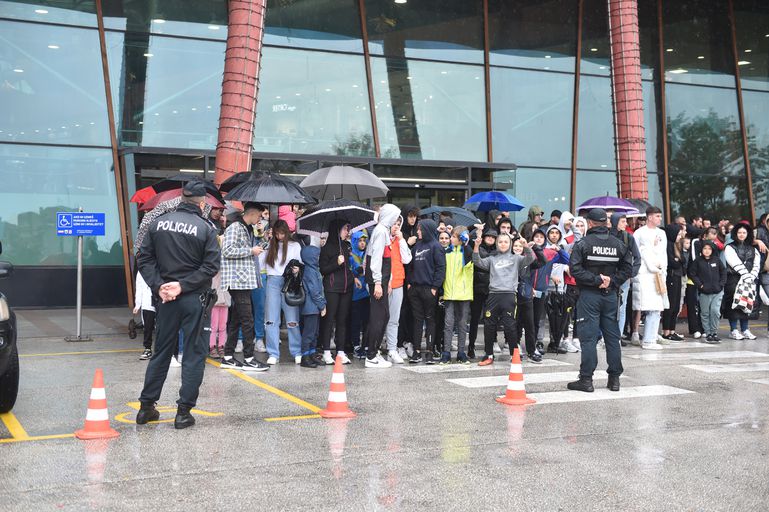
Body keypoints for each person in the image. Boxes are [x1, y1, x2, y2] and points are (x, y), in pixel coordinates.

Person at [136, 181, 221, 429]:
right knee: (194, 355)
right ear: (203, 203)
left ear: (182, 198)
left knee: (161, 352)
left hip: (166, 299)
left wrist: (159, 285)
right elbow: (210, 267)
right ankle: (183, 413)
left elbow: (143, 257)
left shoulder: (158, 223)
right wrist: (183, 285)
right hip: (194, 298)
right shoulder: (206, 228)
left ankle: (146, 407)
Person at [567, 208, 632, 393]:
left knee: (588, 338)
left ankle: (586, 380)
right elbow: (628, 268)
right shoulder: (618, 244)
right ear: (606, 223)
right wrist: (612, 281)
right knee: (612, 338)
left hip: (589, 295)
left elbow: (575, 270)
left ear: (590, 223)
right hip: (610, 295)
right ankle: (614, 380)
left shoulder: (583, 244)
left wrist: (597, 280)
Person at [472, 232, 536, 366]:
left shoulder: (516, 258)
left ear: (510, 244)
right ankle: (489, 355)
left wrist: (525, 246)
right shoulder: (492, 259)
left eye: (506, 242)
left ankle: (514, 354)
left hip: (509, 296)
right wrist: (476, 246)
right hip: (493, 295)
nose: (503, 244)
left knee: (510, 326)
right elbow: (477, 262)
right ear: (497, 244)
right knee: (489, 326)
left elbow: (530, 258)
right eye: (500, 242)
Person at [219, 202, 269, 371]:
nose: (260, 219)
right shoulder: (235, 227)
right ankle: (248, 358)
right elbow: (227, 250)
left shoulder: (247, 228)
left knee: (237, 319)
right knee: (247, 319)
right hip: (237, 280)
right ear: (252, 213)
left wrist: (261, 241)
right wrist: (250, 251)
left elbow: (252, 249)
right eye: (259, 215)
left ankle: (227, 356)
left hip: (244, 280)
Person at [259, 219, 303, 365]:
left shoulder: (294, 245)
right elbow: (259, 263)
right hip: (272, 281)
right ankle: (273, 353)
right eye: (277, 233)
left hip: (289, 281)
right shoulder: (270, 246)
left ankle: (296, 351)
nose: (279, 236)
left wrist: (297, 270)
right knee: (271, 319)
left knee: (292, 319)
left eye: (282, 233)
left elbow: (299, 264)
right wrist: (264, 242)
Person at [365, 203, 402, 368]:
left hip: (382, 280)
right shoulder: (380, 231)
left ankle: (375, 352)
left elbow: (386, 260)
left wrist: (388, 279)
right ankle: (371, 355)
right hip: (377, 280)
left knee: (384, 316)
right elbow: (376, 259)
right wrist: (378, 282)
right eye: (394, 216)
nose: (396, 220)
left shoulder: (383, 231)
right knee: (378, 318)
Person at [407, 218, 447, 364]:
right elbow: (409, 266)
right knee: (417, 320)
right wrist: (410, 283)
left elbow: (441, 268)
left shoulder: (436, 246)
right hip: (415, 289)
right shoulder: (416, 246)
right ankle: (417, 351)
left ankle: (429, 351)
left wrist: (435, 287)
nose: (418, 231)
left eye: (420, 229)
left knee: (430, 320)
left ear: (427, 229)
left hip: (429, 289)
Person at [632, 206, 668, 350]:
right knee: (647, 306)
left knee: (657, 307)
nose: (660, 218)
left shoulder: (662, 233)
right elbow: (637, 252)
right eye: (657, 216)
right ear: (650, 217)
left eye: (660, 216)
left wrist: (663, 268)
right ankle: (647, 339)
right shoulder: (639, 233)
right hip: (645, 274)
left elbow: (663, 253)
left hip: (659, 273)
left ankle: (652, 337)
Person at [319, 220, 355, 365]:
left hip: (346, 288)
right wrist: (336, 263)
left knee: (342, 320)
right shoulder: (326, 248)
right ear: (336, 230)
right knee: (329, 320)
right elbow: (323, 269)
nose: (347, 231)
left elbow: (348, 269)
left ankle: (340, 352)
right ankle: (326, 352)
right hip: (332, 288)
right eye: (345, 229)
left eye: (348, 229)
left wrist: (353, 278)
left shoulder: (346, 246)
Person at [441, 225, 474, 364]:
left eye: (454, 236)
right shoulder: (446, 252)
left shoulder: (466, 252)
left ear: (461, 239)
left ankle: (461, 352)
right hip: (449, 293)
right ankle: (446, 352)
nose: (451, 239)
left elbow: (468, 260)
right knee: (448, 324)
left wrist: (466, 243)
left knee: (462, 325)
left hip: (464, 294)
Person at [723, 222, 760, 340]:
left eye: (744, 232)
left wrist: (752, 276)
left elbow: (756, 264)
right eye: (739, 232)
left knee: (747, 304)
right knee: (734, 305)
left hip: (749, 281)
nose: (742, 234)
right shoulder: (729, 247)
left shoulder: (753, 249)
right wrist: (746, 275)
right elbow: (733, 262)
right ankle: (733, 330)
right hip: (733, 279)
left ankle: (745, 329)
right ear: (735, 233)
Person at [514, 235, 547, 363]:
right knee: (515, 323)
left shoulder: (527, 260)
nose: (517, 248)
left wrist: (536, 247)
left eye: (520, 246)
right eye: (515, 246)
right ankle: (515, 347)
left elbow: (542, 261)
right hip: (512, 294)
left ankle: (531, 350)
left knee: (530, 323)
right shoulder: (509, 259)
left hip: (526, 294)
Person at [609, 213, 641, 345]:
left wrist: (631, 273)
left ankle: (617, 336)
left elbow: (637, 257)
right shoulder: (606, 235)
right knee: (608, 307)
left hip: (624, 278)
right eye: (622, 221)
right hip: (608, 277)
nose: (625, 224)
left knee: (621, 308)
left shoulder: (628, 237)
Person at [385, 219, 412, 364]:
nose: (396, 226)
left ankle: (392, 349)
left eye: (398, 224)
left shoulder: (400, 240)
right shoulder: (383, 238)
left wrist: (402, 240)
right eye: (394, 223)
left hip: (398, 284)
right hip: (384, 285)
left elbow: (407, 259)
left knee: (394, 320)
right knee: (380, 319)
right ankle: (374, 349)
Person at [688, 240, 726, 344]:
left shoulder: (717, 260)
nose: (707, 251)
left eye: (709, 249)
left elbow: (723, 272)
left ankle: (714, 333)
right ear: (701, 249)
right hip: (704, 292)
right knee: (705, 313)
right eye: (705, 248)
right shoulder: (697, 261)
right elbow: (692, 274)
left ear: (712, 250)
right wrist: (700, 285)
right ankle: (708, 333)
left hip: (717, 291)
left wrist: (721, 284)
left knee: (715, 311)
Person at [468, 228, 497, 359]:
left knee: (490, 320)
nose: (491, 238)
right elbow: (480, 259)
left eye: (493, 237)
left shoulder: (499, 251)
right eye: (488, 236)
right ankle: (471, 346)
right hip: (477, 287)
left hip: (491, 289)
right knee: (474, 319)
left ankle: (488, 349)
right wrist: (478, 233)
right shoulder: (478, 247)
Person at [300, 237, 326, 368]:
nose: (318, 258)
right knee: (309, 333)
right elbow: (315, 291)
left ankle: (312, 354)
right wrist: (322, 305)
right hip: (311, 307)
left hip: (314, 307)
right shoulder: (310, 271)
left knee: (314, 333)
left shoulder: (314, 269)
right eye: (316, 256)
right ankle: (305, 356)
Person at [661, 223, 687, 342]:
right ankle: (666, 331)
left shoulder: (676, 245)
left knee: (676, 305)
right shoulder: (668, 245)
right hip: (671, 277)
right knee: (670, 305)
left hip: (678, 276)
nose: (679, 236)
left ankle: (672, 330)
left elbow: (683, 259)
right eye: (677, 234)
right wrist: (679, 260)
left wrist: (679, 260)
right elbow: (673, 262)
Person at [348, 231, 369, 361]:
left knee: (367, 321)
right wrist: (357, 271)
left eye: (364, 241)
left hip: (366, 292)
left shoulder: (367, 254)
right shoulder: (351, 255)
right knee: (355, 321)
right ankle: (356, 345)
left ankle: (365, 345)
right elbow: (349, 271)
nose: (362, 243)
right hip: (355, 293)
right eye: (360, 241)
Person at [133, 269, 156, 361]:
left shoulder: (162, 265)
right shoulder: (141, 271)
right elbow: (139, 288)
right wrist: (137, 304)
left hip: (162, 301)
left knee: (163, 326)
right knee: (148, 327)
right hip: (147, 303)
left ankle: (162, 350)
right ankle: (147, 348)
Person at [208, 271, 230, 359]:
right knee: (213, 326)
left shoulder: (227, 271)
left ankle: (221, 346)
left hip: (225, 301)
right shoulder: (213, 271)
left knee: (223, 326)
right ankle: (212, 346)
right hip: (215, 301)